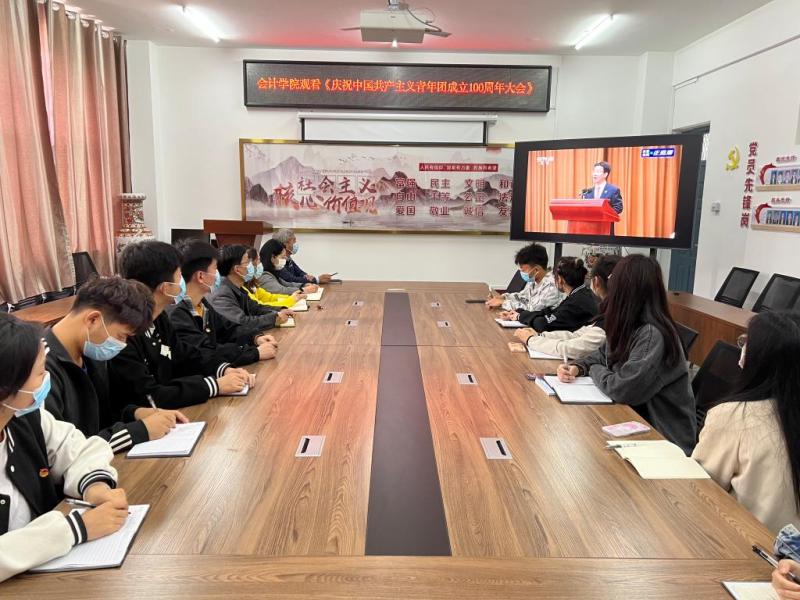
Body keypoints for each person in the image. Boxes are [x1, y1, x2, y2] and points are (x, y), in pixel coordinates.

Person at [0, 313, 129, 581]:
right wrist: (73, 529)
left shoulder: (23, 418)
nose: (47, 379)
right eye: (40, 373)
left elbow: (80, 448)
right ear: (6, 387)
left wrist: (95, 487)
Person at [557, 254, 696, 454]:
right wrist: (578, 367)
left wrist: (594, 369)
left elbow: (623, 389)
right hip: (635, 422)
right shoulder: (629, 323)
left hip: (664, 440)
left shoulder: (652, 334)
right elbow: (602, 355)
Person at [45, 276, 188, 454]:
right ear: (93, 320)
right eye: (122, 336)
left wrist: (135, 414)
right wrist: (139, 431)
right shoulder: (40, 370)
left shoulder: (90, 353)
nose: (123, 344)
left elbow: (103, 417)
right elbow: (61, 453)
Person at [110, 241, 253, 412]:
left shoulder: (159, 317)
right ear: (165, 287)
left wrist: (222, 369)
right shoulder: (124, 332)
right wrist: (213, 386)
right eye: (179, 276)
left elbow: (185, 354)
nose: (183, 281)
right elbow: (150, 396)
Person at [692, 312, 800, 533]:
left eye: (746, 342)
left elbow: (698, 487)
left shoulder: (733, 416)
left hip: (743, 543)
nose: (742, 347)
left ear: (758, 358)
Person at [169, 239, 279, 368]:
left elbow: (228, 329)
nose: (218, 274)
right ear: (200, 276)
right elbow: (206, 352)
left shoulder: (202, 304)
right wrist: (254, 353)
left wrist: (255, 337)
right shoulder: (177, 314)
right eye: (215, 269)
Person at [514, 254, 621, 359]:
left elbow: (571, 348)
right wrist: (540, 336)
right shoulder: (582, 297)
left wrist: (531, 340)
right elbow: (578, 334)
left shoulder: (580, 302)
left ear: (596, 282)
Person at [209, 244, 291, 332]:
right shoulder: (222, 295)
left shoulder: (238, 288)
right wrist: (274, 318)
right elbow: (243, 323)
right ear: (237, 269)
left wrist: (281, 309)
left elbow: (256, 308)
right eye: (248, 262)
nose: (252, 265)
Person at [510, 257, 596, 332]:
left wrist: (520, 316)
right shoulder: (580, 294)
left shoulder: (575, 303)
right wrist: (520, 312)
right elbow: (550, 312)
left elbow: (543, 324)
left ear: (560, 279)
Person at [486, 243, 562, 313]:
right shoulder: (536, 281)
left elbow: (533, 310)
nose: (521, 272)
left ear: (536, 270)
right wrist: (503, 297)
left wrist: (503, 303)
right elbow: (522, 297)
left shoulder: (552, 286)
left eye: (523, 270)